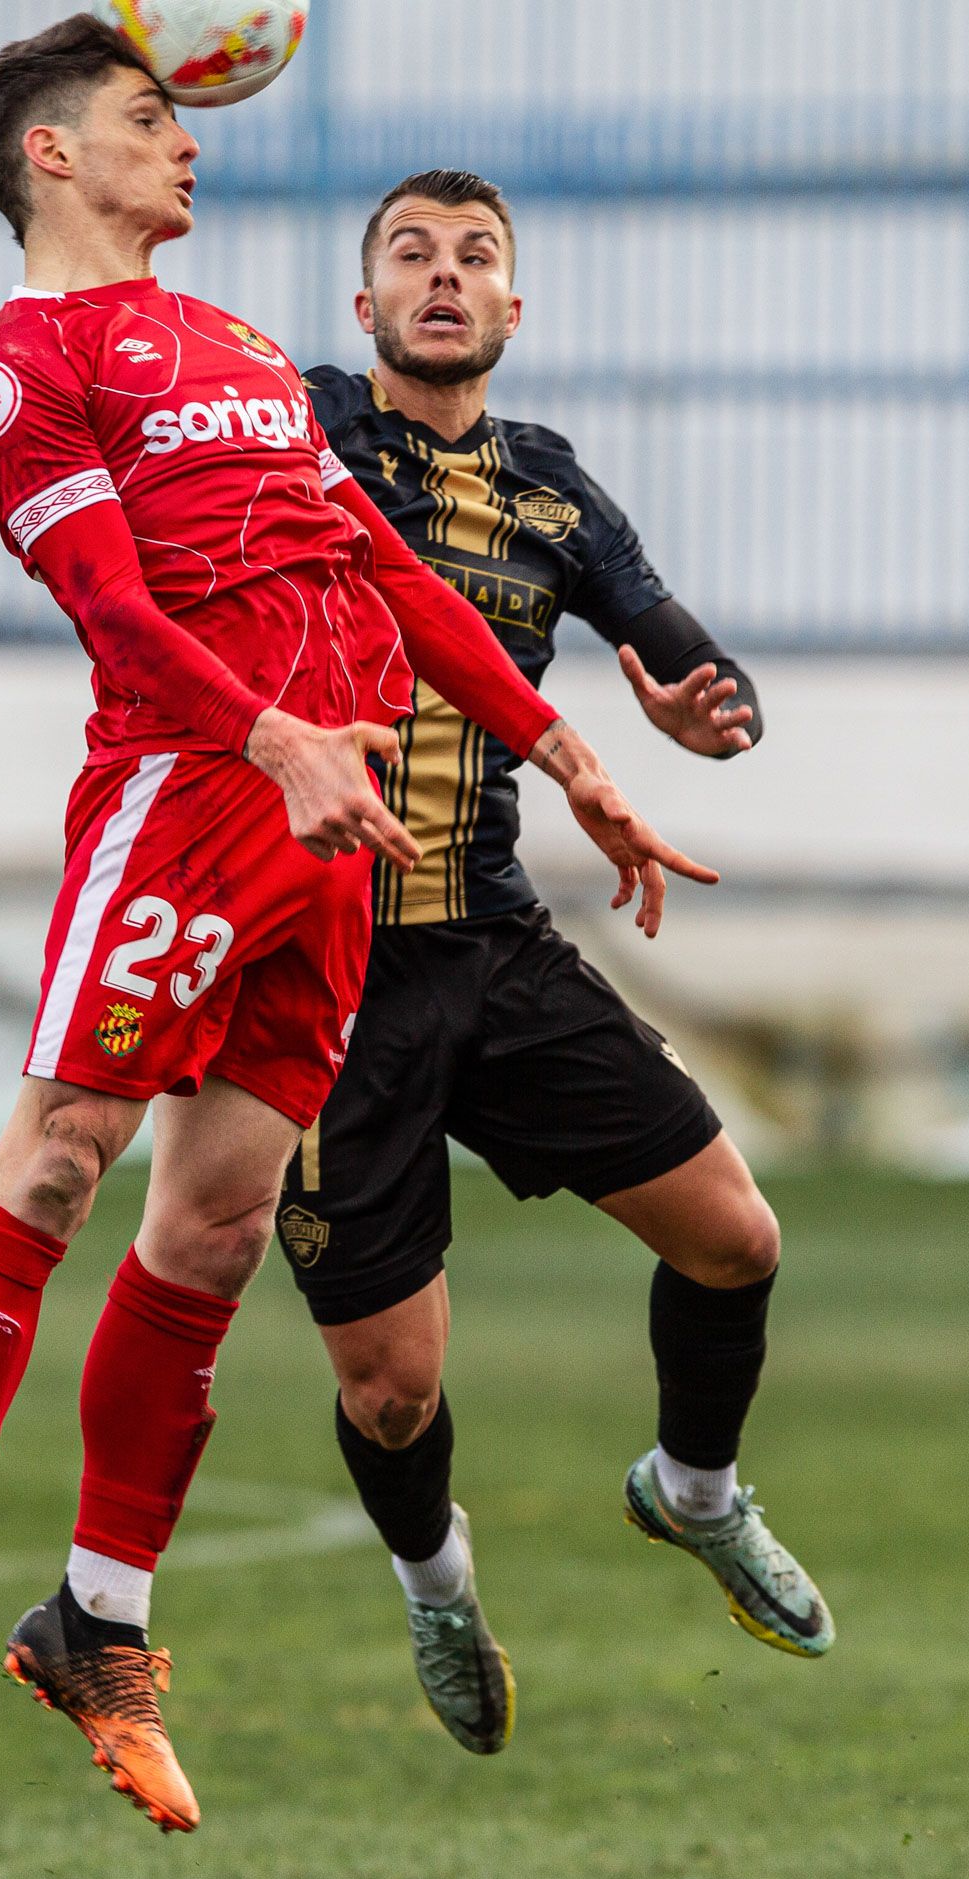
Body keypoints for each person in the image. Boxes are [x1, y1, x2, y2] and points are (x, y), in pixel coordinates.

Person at [0, 30, 717, 1835]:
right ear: (50, 155)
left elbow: (390, 577)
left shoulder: (245, 349)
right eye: (154, 122)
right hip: (198, 794)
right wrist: (270, 736)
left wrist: (565, 757)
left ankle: (100, 1622)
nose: (191, 148)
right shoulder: (24, 367)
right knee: (62, 1156)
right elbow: (107, 604)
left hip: (343, 826)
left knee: (224, 1218)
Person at [275, 169, 834, 1758]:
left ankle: (695, 1491)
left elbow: (698, 658)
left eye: (475, 260)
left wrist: (701, 704)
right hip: (331, 967)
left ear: (514, 312)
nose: (443, 278)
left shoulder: (553, 491)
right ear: (363, 303)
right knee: (391, 1391)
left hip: (497, 936)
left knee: (736, 1236)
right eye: (411, 255)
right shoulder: (298, 427)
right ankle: (438, 1582)